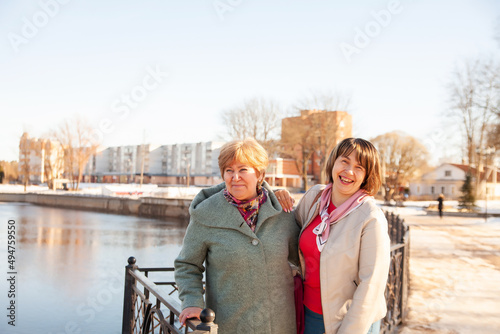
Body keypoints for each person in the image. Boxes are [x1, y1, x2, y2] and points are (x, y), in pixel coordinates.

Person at [174, 138, 300, 334]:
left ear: (260, 174)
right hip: (229, 325)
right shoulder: (206, 214)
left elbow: (303, 259)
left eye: (243, 169)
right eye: (229, 170)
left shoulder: (283, 212)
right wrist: (191, 302)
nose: (235, 177)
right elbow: (187, 265)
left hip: (279, 325)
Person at [276, 137, 391, 334]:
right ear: (333, 163)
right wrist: (276, 196)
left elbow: (371, 285)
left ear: (367, 175)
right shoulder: (315, 198)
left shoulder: (370, 217)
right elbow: (289, 233)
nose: (349, 172)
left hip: (349, 321)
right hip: (307, 313)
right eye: (344, 161)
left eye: (359, 167)